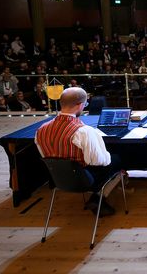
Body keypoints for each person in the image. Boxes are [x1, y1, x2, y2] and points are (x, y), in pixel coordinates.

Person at [34, 87, 121, 216]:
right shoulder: (83, 131)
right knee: (116, 160)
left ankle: (97, 198)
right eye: (85, 104)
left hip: (57, 179)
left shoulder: (40, 130)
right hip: (83, 181)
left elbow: (47, 156)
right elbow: (100, 161)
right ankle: (97, 197)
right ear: (80, 105)